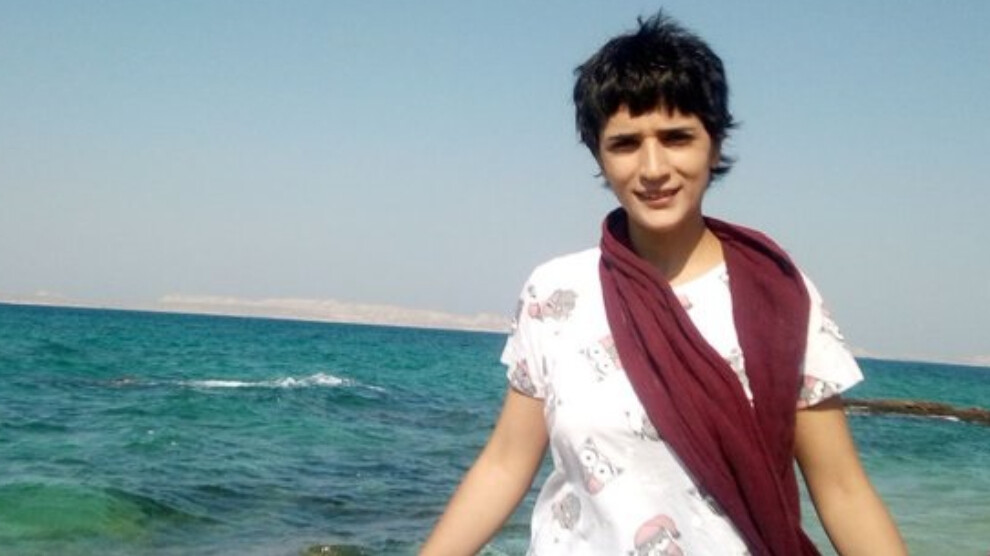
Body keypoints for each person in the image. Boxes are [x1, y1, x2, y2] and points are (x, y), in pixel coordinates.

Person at [421, 11, 907, 556]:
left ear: (714, 146)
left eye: (677, 138)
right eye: (625, 144)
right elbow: (505, 465)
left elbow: (842, 490)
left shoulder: (781, 300)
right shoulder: (554, 294)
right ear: (599, 156)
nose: (653, 168)